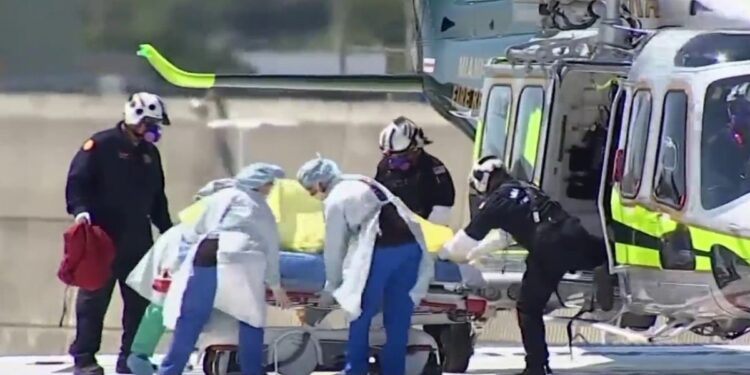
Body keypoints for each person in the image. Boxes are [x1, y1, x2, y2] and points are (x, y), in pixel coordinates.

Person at [438, 156, 607, 375]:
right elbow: (504, 237)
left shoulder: (495, 203)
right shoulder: (526, 187)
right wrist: (475, 253)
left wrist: (442, 254)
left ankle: (537, 366)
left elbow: (463, 243)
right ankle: (603, 264)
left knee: (528, 308)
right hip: (571, 231)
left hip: (547, 247)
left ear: (482, 180)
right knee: (594, 252)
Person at [65, 92, 173, 375]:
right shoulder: (101, 145)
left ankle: (131, 358)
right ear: (134, 117)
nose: (152, 129)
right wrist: (80, 210)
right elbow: (77, 182)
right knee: (93, 300)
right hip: (102, 237)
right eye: (148, 122)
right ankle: (85, 358)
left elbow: (157, 197)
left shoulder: (150, 153)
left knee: (139, 302)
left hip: (137, 240)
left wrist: (168, 230)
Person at [296, 156, 434, 375]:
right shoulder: (363, 182)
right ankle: (394, 371)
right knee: (398, 318)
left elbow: (335, 247)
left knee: (359, 312)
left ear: (320, 183)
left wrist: (331, 285)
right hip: (410, 249)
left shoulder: (335, 199)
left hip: (381, 252)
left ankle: (355, 369)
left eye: (312, 191)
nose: (315, 196)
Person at [158, 163, 292, 375]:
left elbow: (194, 232)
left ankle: (169, 370)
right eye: (269, 184)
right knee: (251, 320)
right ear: (260, 184)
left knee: (190, 320)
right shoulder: (260, 207)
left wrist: (177, 265)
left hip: (206, 256)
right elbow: (270, 246)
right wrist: (275, 284)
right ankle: (252, 371)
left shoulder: (219, 197)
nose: (270, 189)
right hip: (243, 261)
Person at [125, 178, 237, 375]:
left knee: (160, 308)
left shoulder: (184, 228)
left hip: (175, 264)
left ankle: (140, 356)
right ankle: (162, 358)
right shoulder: (219, 228)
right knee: (179, 311)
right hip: (188, 267)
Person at [375, 116, 455, 225]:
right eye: (390, 158)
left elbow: (441, 216)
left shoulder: (436, 173)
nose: (393, 164)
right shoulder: (384, 166)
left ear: (416, 150)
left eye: (400, 159)